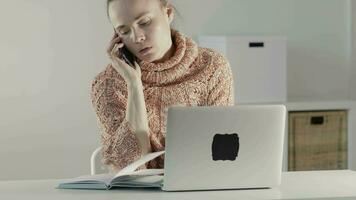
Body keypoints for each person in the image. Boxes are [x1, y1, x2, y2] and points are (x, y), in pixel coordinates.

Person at [90, 0, 234, 174]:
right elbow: (129, 172)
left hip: (200, 187)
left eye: (144, 22)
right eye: (124, 31)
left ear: (168, 13)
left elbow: (221, 155)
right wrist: (134, 85)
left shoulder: (212, 67)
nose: (137, 38)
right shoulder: (108, 84)